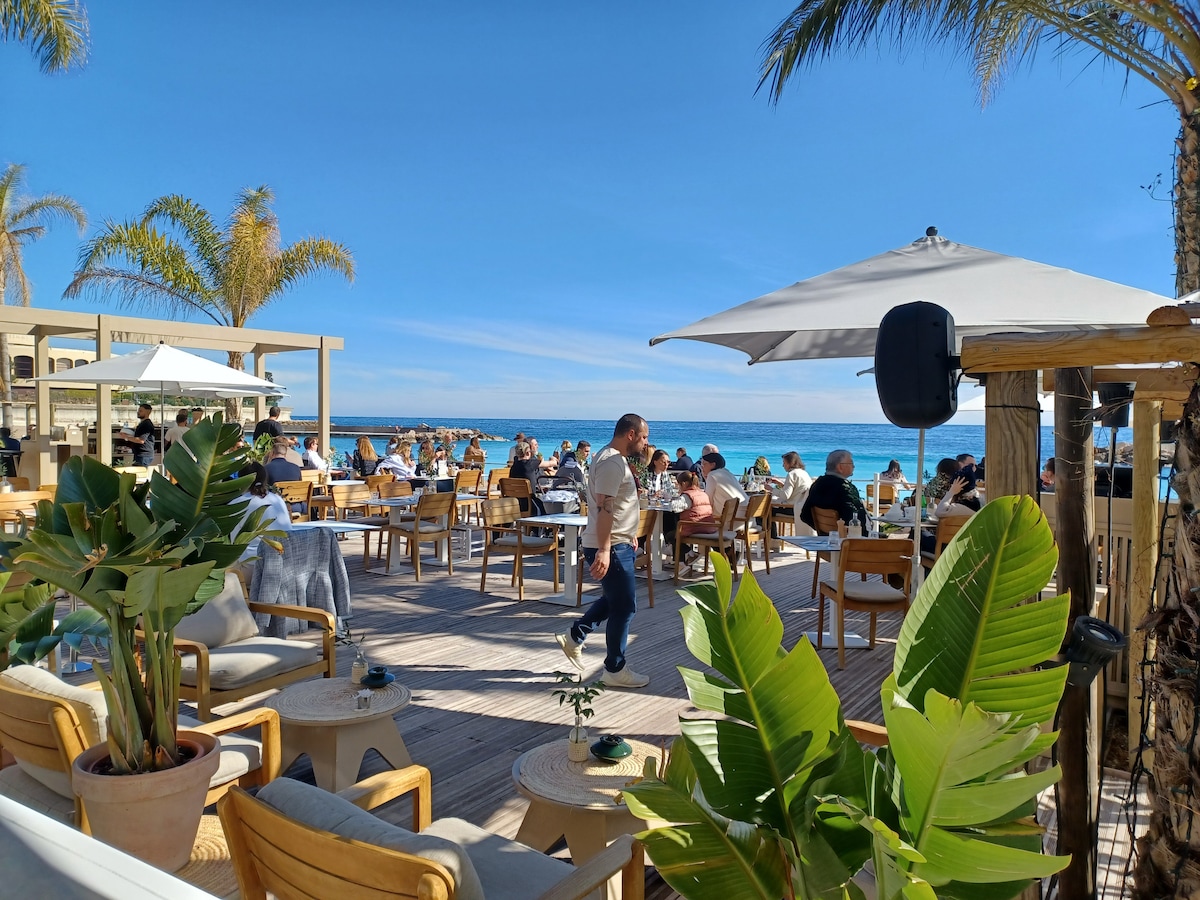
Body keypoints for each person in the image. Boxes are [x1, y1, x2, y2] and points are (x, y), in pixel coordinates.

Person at [557, 413, 651, 689]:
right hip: (611, 545)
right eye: (644, 437)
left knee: (615, 600)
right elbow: (604, 507)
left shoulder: (613, 459)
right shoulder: (611, 462)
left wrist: (629, 534)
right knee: (625, 607)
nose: (646, 443)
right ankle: (614, 668)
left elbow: (618, 506)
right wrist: (605, 549)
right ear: (631, 434)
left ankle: (575, 636)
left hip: (620, 541)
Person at [231, 461, 292, 563]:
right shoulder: (278, 499)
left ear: (241, 481)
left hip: (252, 562)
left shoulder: (237, 504)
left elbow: (234, 543)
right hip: (283, 560)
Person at [800, 449, 868, 532]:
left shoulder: (817, 484)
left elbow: (805, 516)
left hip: (828, 537)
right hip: (850, 538)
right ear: (840, 467)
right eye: (851, 463)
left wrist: (826, 531)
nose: (853, 466)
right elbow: (856, 519)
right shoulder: (845, 489)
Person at [665, 470, 716, 571]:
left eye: (679, 485)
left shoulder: (687, 496)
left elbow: (674, 507)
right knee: (676, 531)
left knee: (671, 535)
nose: (678, 487)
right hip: (708, 526)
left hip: (695, 527)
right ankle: (681, 562)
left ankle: (689, 553)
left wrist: (669, 499)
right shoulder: (702, 493)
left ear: (684, 484)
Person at [766, 451, 814, 537]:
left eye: (784, 463)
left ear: (790, 463)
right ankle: (774, 540)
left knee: (766, 511)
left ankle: (773, 540)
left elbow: (785, 495)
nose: (783, 465)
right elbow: (796, 490)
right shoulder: (803, 473)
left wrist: (771, 489)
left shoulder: (792, 474)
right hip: (804, 507)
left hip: (793, 509)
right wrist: (780, 484)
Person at [700, 452, 747, 519]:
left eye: (704, 464)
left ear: (713, 465)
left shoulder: (712, 475)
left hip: (730, 519)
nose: (702, 467)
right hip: (744, 517)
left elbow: (708, 501)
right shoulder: (728, 473)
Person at [125, 402, 157, 466]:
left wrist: (126, 437)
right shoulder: (143, 423)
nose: (138, 412)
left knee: (140, 471)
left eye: (141, 411)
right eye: (138, 411)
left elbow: (141, 440)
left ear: (147, 412)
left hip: (144, 455)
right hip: (140, 454)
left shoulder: (146, 424)